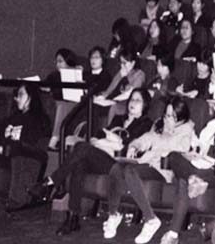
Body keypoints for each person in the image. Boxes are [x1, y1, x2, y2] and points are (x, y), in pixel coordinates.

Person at [28, 88, 152, 235]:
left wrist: (113, 140)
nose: (133, 103)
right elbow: (98, 135)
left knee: (81, 147)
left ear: (145, 105)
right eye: (131, 99)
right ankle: (72, 217)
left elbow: (129, 146)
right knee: (79, 161)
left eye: (138, 100)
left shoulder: (145, 123)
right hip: (102, 157)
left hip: (119, 164)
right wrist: (104, 141)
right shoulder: (118, 119)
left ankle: (51, 183)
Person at [103, 97, 195, 243]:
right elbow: (146, 138)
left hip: (162, 169)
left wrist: (168, 133)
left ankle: (150, 219)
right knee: (117, 167)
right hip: (147, 163)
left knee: (129, 170)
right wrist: (135, 146)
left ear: (181, 118)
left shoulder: (186, 131)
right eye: (166, 115)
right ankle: (114, 214)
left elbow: (180, 149)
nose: (166, 119)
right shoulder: (159, 127)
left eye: (171, 116)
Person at [159, 92, 215, 244]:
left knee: (182, 181)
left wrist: (206, 153)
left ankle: (173, 233)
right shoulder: (210, 125)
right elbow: (200, 145)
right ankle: (193, 179)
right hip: (197, 165)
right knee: (174, 156)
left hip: (214, 170)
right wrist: (193, 149)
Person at [0, 83, 50, 210]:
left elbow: (31, 143)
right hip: (7, 154)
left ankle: (16, 200)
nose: (16, 99)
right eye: (16, 95)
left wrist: (5, 148)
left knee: (16, 150)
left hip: (26, 154)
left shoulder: (39, 119)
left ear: (31, 96)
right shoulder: (13, 117)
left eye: (21, 95)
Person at [94, 48, 146, 126]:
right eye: (121, 63)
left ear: (133, 63)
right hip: (115, 99)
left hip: (128, 103)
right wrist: (102, 97)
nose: (122, 66)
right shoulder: (122, 72)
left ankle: (108, 129)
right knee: (94, 103)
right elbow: (109, 90)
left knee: (114, 107)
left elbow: (132, 94)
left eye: (124, 63)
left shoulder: (139, 74)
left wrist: (113, 100)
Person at [44, 48, 80, 150]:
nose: (58, 64)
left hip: (71, 102)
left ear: (68, 61)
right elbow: (45, 85)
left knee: (62, 106)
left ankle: (54, 139)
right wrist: (46, 88)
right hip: (56, 101)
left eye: (60, 61)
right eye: (56, 62)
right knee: (60, 105)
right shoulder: (53, 75)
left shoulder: (75, 72)